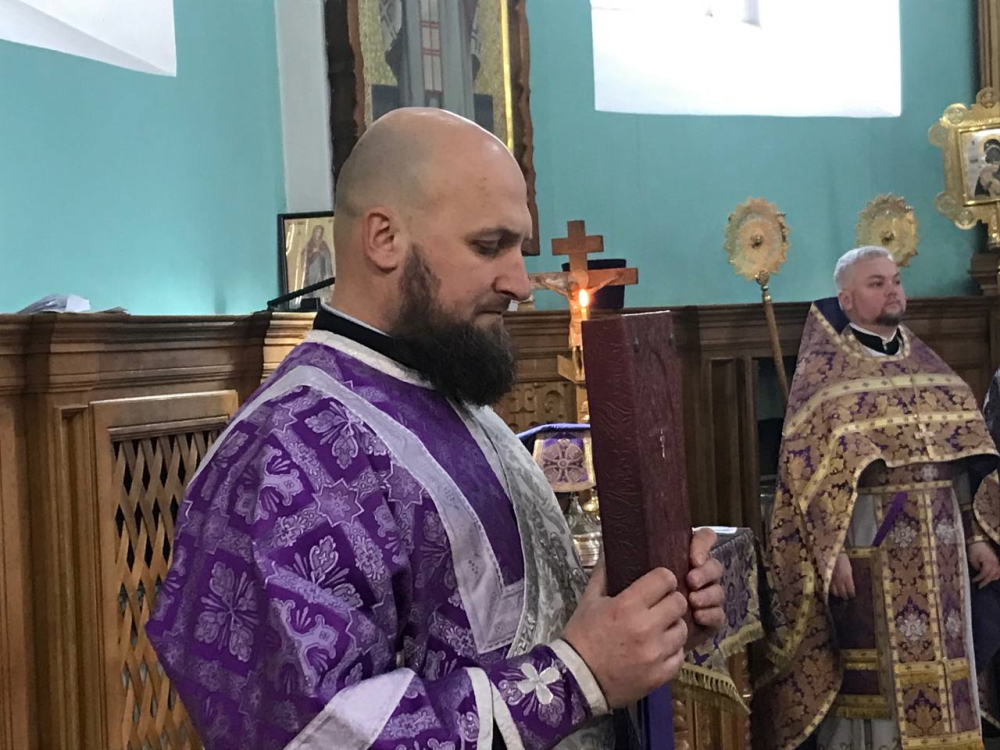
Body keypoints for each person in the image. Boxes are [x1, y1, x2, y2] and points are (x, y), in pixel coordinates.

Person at [147, 107, 725, 750]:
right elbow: (311, 733)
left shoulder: (452, 400)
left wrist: (646, 614)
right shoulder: (289, 448)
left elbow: (534, 627)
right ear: (384, 238)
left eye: (520, 247)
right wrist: (577, 676)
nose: (521, 284)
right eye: (489, 246)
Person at [753, 246, 1000, 750]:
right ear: (846, 299)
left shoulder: (934, 369)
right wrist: (833, 552)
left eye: (896, 280)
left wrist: (978, 537)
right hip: (871, 537)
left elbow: (963, 461)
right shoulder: (827, 381)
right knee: (877, 677)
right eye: (876, 283)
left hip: (944, 546)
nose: (892, 290)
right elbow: (807, 481)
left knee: (949, 665)